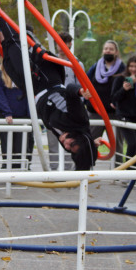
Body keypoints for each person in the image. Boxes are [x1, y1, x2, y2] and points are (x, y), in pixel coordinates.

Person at [0, 16, 101, 171]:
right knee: (19, 54)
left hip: (37, 92)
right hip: (48, 81)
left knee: (9, 65)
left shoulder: (73, 142)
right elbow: (70, 91)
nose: (65, 144)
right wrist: (80, 92)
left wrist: (91, 146)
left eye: (69, 149)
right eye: (71, 143)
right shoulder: (78, 120)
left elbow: (82, 147)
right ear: (79, 138)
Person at [46, 32, 83, 170]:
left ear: (70, 44)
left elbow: (82, 87)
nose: (61, 47)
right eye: (59, 43)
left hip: (70, 109)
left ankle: (68, 171)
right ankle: (54, 171)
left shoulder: (76, 63)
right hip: (53, 107)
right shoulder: (49, 60)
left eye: (65, 43)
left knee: (70, 141)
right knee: (53, 141)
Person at [0, 64, 33, 169]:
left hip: (23, 116)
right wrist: (7, 112)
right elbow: (0, 95)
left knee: (22, 147)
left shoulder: (26, 73)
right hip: (6, 116)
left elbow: (30, 95)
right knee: (7, 147)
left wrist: (31, 115)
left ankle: (22, 170)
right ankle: (8, 172)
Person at [86, 40, 125, 140]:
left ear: (116, 52)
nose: (108, 51)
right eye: (106, 49)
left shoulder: (122, 68)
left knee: (116, 145)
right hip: (95, 112)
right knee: (92, 141)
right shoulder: (95, 67)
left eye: (111, 49)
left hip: (113, 113)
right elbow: (86, 82)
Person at [111, 55, 136, 166]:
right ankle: (128, 170)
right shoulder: (120, 79)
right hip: (124, 115)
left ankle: (134, 173)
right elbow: (114, 98)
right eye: (131, 66)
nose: (133, 69)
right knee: (132, 144)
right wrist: (124, 89)